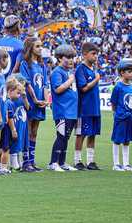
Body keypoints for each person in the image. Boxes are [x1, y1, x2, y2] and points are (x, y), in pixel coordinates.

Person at [19, 37, 49, 172]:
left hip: (40, 102)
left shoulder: (42, 65)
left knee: (35, 132)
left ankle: (32, 161)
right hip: (31, 102)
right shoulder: (25, 64)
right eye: (37, 46)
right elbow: (27, 83)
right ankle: (25, 162)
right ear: (30, 48)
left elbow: (45, 84)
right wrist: (35, 99)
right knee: (28, 131)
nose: (40, 49)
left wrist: (46, 99)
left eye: (41, 46)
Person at [48, 44, 79, 172]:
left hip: (71, 111)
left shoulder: (68, 72)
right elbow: (58, 89)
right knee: (61, 136)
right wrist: (70, 81)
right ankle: (53, 162)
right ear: (60, 58)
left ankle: (62, 162)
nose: (71, 60)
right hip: (62, 110)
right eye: (68, 57)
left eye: (72, 57)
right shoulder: (57, 72)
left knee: (66, 137)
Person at [74, 42, 102, 170]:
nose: (96, 56)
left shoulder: (93, 70)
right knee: (81, 134)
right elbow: (84, 88)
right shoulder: (81, 69)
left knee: (93, 134)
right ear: (85, 54)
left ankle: (91, 161)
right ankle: (77, 160)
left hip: (94, 108)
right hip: (84, 108)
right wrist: (96, 80)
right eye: (93, 54)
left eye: (97, 54)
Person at [110, 59, 132, 171]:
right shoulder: (118, 87)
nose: (131, 73)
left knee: (127, 140)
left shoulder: (131, 86)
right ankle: (116, 163)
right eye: (129, 71)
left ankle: (126, 163)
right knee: (117, 139)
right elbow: (113, 103)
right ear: (122, 73)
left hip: (130, 117)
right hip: (120, 117)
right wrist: (115, 114)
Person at [0, 77, 23, 173]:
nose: (19, 96)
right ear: (10, 91)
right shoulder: (9, 103)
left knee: (1, 148)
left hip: (2, 128)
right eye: (18, 93)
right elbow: (10, 118)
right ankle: (3, 167)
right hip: (7, 129)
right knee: (6, 149)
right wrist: (13, 130)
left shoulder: (5, 101)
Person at [7, 76, 30, 171]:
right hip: (16, 124)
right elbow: (10, 116)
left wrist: (24, 98)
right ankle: (13, 163)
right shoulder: (10, 101)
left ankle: (19, 161)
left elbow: (28, 108)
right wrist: (13, 129)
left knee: (22, 143)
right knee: (14, 143)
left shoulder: (21, 98)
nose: (21, 92)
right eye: (19, 90)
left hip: (23, 124)